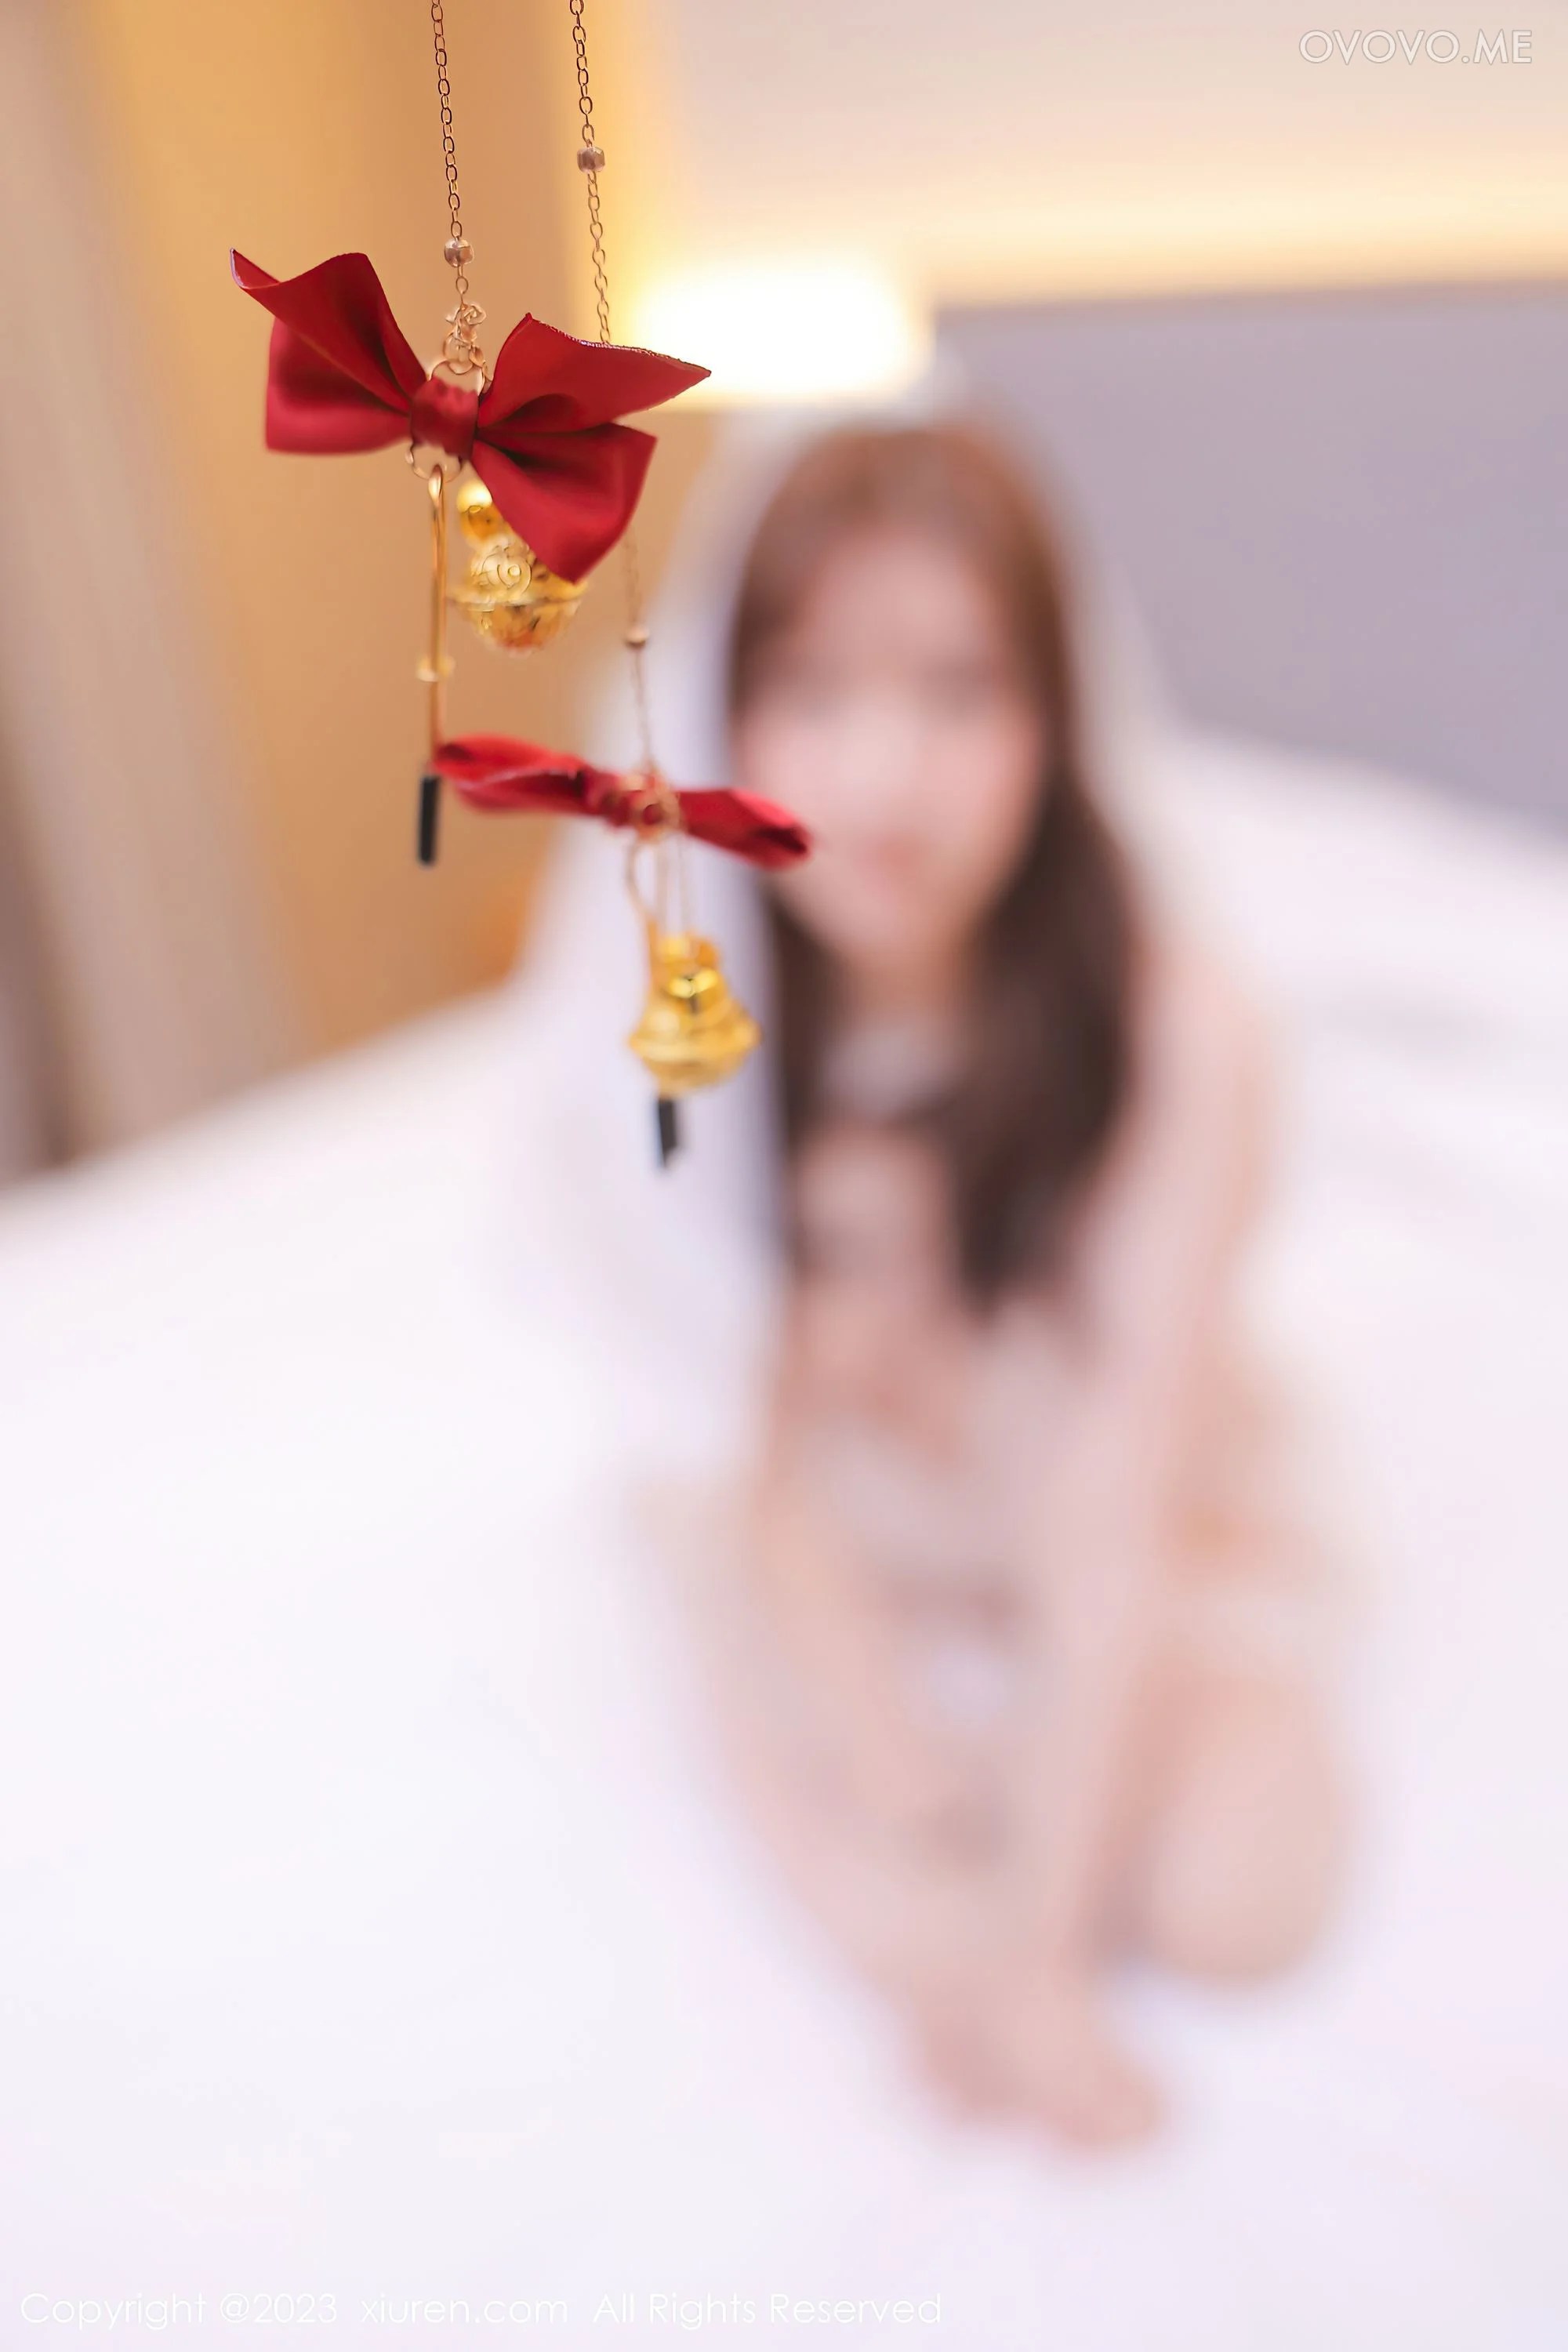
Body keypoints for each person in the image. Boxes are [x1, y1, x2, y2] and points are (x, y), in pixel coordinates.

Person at [682, 424, 1347, 2149]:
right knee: (850, 1839)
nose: (881, 780)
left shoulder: (1178, 1035)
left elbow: (1112, 1512)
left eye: (959, 694)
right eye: (813, 693)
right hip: (858, 1529)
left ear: (1056, 718)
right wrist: (887, 1765)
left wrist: (1038, 1958)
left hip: (1119, 1534)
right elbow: (740, 1440)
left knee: (1234, 1907)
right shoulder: (701, 1014)